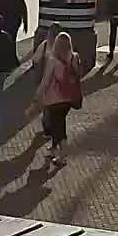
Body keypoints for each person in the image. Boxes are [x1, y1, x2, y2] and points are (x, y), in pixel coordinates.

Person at [37, 31, 82, 169]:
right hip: (69, 98)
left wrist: (37, 95)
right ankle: (54, 149)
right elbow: (77, 75)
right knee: (57, 122)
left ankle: (62, 155)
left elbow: (45, 81)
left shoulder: (53, 60)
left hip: (55, 98)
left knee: (58, 126)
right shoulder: (74, 57)